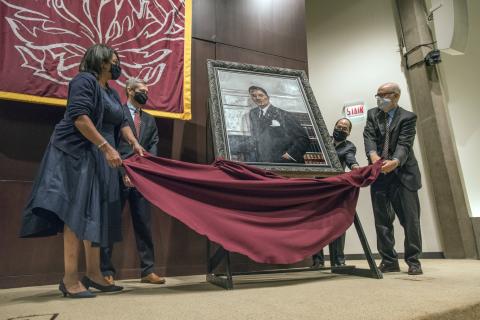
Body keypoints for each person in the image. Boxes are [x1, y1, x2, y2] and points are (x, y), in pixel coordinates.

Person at [20, 44, 145, 298]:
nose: (118, 65)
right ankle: (69, 279)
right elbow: (79, 117)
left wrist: (134, 141)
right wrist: (106, 147)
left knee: (93, 214)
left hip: (97, 155)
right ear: (100, 61)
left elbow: (121, 121)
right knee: (75, 214)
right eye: (114, 60)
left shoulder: (110, 92)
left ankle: (94, 274)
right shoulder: (83, 81)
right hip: (73, 153)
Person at [101, 78, 165, 285]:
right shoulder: (116, 113)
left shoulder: (150, 119)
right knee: (111, 224)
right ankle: (105, 271)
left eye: (147, 91)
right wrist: (123, 172)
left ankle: (148, 271)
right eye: (141, 90)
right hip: (116, 176)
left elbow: (153, 145)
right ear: (129, 90)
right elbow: (110, 144)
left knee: (144, 225)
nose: (145, 94)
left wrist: (143, 172)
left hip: (141, 179)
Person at [363, 82, 423, 275]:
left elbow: (405, 144)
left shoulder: (408, 117)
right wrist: (373, 156)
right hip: (380, 174)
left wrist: (395, 161)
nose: (379, 98)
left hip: (403, 174)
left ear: (395, 96)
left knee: (410, 220)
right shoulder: (373, 114)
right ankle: (389, 260)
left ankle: (413, 261)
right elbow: (369, 136)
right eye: (377, 95)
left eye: (383, 95)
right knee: (382, 220)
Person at [312, 118, 359, 268]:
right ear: (334, 127)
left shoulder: (349, 146)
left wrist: (355, 167)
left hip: (336, 189)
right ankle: (318, 261)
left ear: (349, 132)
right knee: (317, 224)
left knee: (337, 224)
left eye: (344, 128)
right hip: (318, 187)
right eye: (339, 126)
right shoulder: (323, 141)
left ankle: (338, 260)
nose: (340, 129)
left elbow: (350, 159)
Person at [247, 86, 310, 163]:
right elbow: (256, 135)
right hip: (263, 160)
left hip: (284, 162)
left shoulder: (285, 115)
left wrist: (290, 155)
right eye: (254, 96)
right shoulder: (253, 113)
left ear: (268, 97)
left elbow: (303, 139)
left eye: (261, 95)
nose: (257, 98)